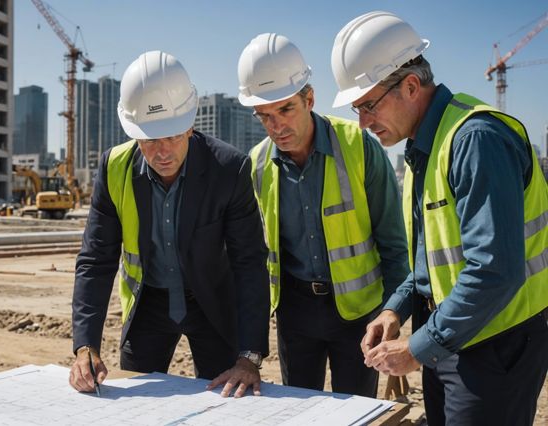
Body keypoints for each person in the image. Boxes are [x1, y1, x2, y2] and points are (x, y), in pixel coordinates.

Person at [331, 11, 548, 425]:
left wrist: (418, 347)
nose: (362, 122)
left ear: (410, 86)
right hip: (452, 339)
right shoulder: (423, 149)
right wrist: (395, 310)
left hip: (496, 346)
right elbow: (431, 262)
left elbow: (494, 270)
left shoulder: (475, 139)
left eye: (368, 105)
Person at [70, 50, 270, 398]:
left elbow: (249, 262)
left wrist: (249, 356)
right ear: (134, 134)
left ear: (191, 126)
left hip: (211, 302)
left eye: (173, 136)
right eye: (149, 140)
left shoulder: (229, 170)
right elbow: (96, 259)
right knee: (134, 404)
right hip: (149, 303)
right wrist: (85, 346)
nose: (162, 151)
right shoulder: (114, 168)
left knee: (226, 401)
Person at [236, 33, 409, 396]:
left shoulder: (359, 147)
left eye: (285, 110)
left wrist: (394, 321)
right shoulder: (256, 165)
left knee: (358, 411)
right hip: (294, 314)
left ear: (309, 99)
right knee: (299, 410)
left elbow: (393, 245)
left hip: (360, 315)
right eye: (264, 116)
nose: (276, 126)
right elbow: (252, 258)